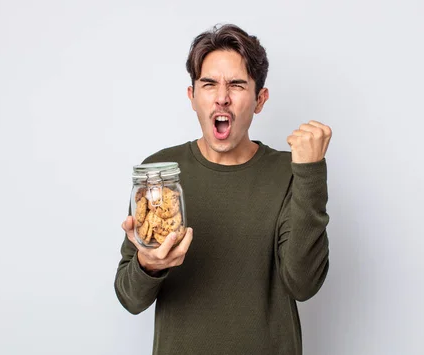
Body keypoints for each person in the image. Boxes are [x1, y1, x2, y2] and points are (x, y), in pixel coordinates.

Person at [114, 24, 332, 355]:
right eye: (209, 84)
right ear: (192, 97)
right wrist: (149, 265)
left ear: (260, 100)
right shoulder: (159, 177)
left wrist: (310, 173)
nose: (222, 97)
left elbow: (303, 284)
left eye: (237, 85)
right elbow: (129, 298)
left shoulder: (289, 173)